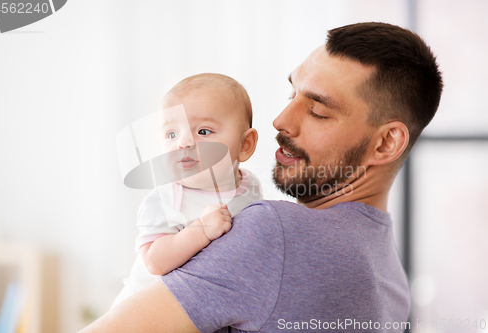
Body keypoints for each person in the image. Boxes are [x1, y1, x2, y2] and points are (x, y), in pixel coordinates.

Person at [80, 22, 443, 333]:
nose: (281, 120)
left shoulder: (272, 233)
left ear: (386, 143)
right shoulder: (391, 278)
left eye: (317, 111)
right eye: (292, 93)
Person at [112, 73, 262, 307]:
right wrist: (200, 231)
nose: (183, 143)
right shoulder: (164, 200)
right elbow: (155, 262)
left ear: (245, 145)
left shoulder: (250, 187)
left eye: (203, 131)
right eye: (171, 134)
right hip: (141, 310)